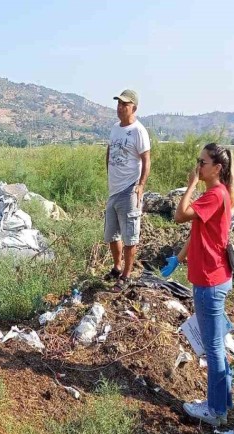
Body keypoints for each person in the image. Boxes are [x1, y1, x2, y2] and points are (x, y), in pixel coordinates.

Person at [174, 143, 234, 426]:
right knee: (216, 347)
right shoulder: (217, 194)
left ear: (217, 168)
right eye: (197, 162)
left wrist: (189, 185)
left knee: (213, 349)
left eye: (202, 162)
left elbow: (180, 215)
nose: (197, 167)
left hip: (210, 281)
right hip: (213, 278)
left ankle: (214, 412)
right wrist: (178, 258)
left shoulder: (214, 194)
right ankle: (222, 404)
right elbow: (197, 231)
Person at [104, 89, 151, 291]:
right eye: (119, 104)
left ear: (134, 107)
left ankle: (126, 275)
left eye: (125, 104)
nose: (121, 108)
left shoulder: (138, 131)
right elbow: (109, 151)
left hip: (129, 189)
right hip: (113, 191)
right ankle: (116, 267)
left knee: (129, 236)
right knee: (111, 235)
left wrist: (140, 186)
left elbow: (146, 160)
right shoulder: (115, 128)